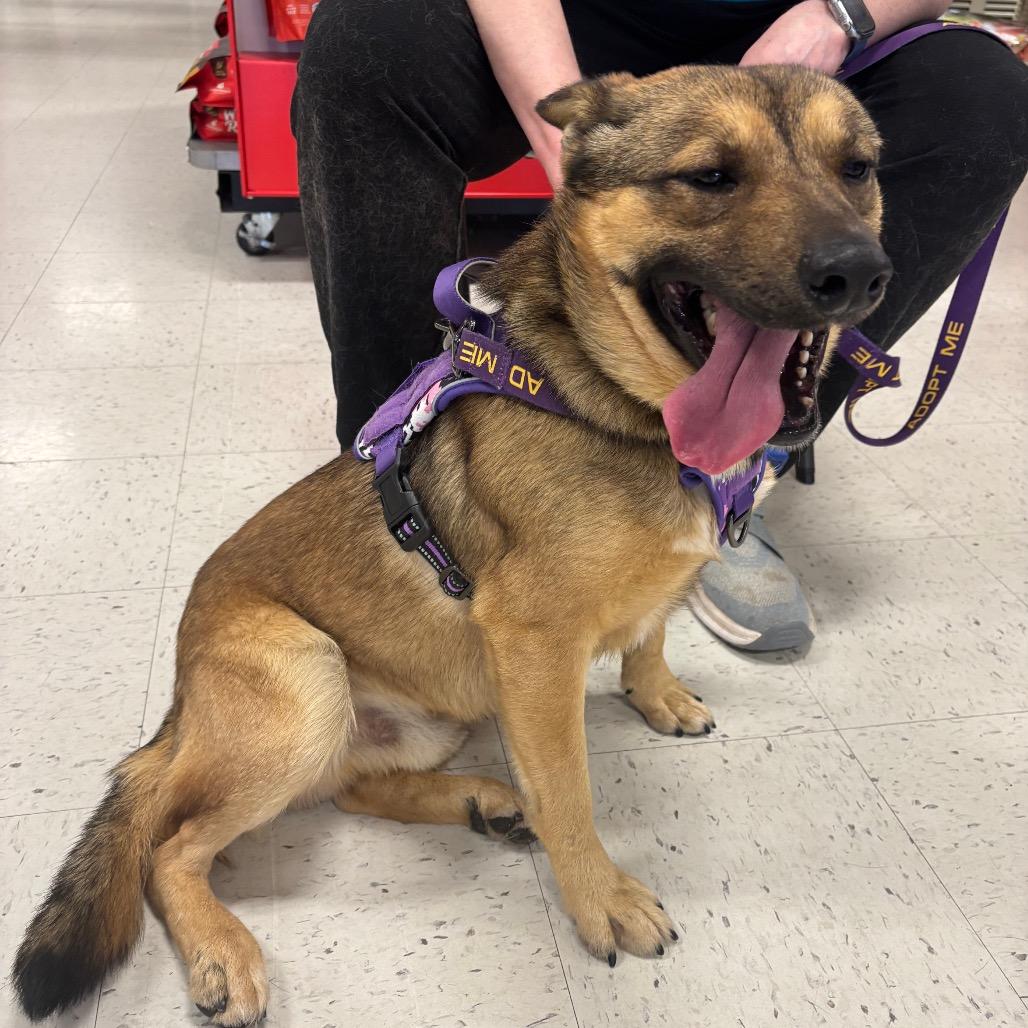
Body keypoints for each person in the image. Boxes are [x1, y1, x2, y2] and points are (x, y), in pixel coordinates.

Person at [291, 0, 1028, 651]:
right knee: (368, 37)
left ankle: (736, 478)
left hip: (800, 27)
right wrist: (583, 150)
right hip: (570, 19)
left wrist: (839, 15)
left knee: (987, 93)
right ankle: (399, 468)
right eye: (711, 177)